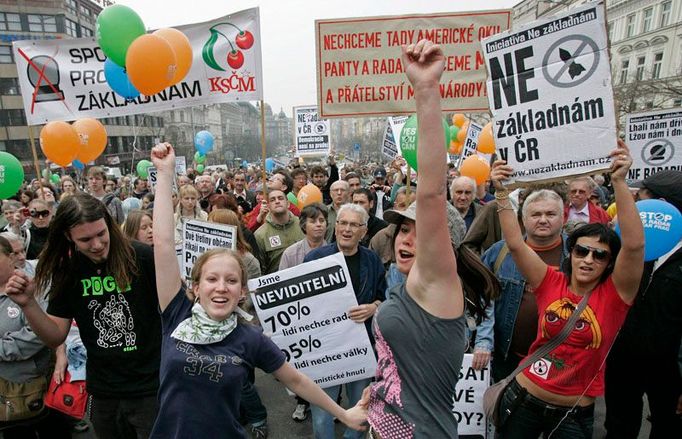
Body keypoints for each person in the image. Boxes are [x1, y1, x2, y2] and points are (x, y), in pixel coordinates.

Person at [148, 142, 368, 439]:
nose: (221, 287)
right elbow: (162, 244)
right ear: (196, 286)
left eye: (231, 281)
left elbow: (299, 381)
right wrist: (164, 173)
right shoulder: (176, 313)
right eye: (212, 280)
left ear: (242, 292)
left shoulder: (249, 338)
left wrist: (343, 413)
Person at [366, 40, 497, 438]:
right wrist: (369, 404)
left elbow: (430, 194)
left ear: (444, 246)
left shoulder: (437, 284)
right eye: (402, 228)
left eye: (418, 231)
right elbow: (394, 369)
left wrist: (425, 90)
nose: (405, 237)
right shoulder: (401, 286)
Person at [489, 139, 644, 438]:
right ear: (570, 254)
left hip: (573, 418)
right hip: (521, 403)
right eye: (582, 251)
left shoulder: (616, 296)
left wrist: (620, 182)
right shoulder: (550, 280)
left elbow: (635, 246)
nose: (588, 259)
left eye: (599, 255)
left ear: (610, 263)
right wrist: (501, 192)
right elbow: (515, 244)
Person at [4, 193, 162, 439]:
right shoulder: (67, 270)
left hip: (151, 389)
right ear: (69, 237)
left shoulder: (141, 256)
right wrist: (28, 304)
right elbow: (55, 336)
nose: (97, 244)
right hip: (104, 392)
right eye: (86, 239)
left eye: (101, 234)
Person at [604, 170, 682, 438]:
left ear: (662, 205)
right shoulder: (625, 246)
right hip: (621, 357)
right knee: (618, 427)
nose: (635, 201)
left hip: (669, 366)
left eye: (642, 196)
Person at [304, 203, 386, 439]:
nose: (347, 229)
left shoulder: (372, 261)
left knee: (361, 408)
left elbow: (384, 295)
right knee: (321, 414)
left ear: (364, 230)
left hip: (359, 347)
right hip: (324, 350)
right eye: (343, 223)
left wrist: (374, 307)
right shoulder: (314, 258)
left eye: (354, 225)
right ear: (336, 226)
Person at [482, 188, 568, 382]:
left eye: (550, 214)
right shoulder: (499, 253)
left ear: (564, 217)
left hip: (560, 362)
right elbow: (480, 297)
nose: (543, 220)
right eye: (536, 214)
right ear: (523, 219)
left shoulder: (578, 255)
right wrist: (482, 341)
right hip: (506, 360)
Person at [0, 236, 73, 438]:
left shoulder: (33, 286)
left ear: (11, 257)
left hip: (37, 388)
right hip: (5, 399)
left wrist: (2, 348)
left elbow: (38, 335)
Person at [253, 189, 304, 274]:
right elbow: (261, 270)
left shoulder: (303, 225)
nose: (277, 201)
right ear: (268, 207)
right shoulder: (260, 235)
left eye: (280, 198)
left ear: (288, 204)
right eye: (273, 200)